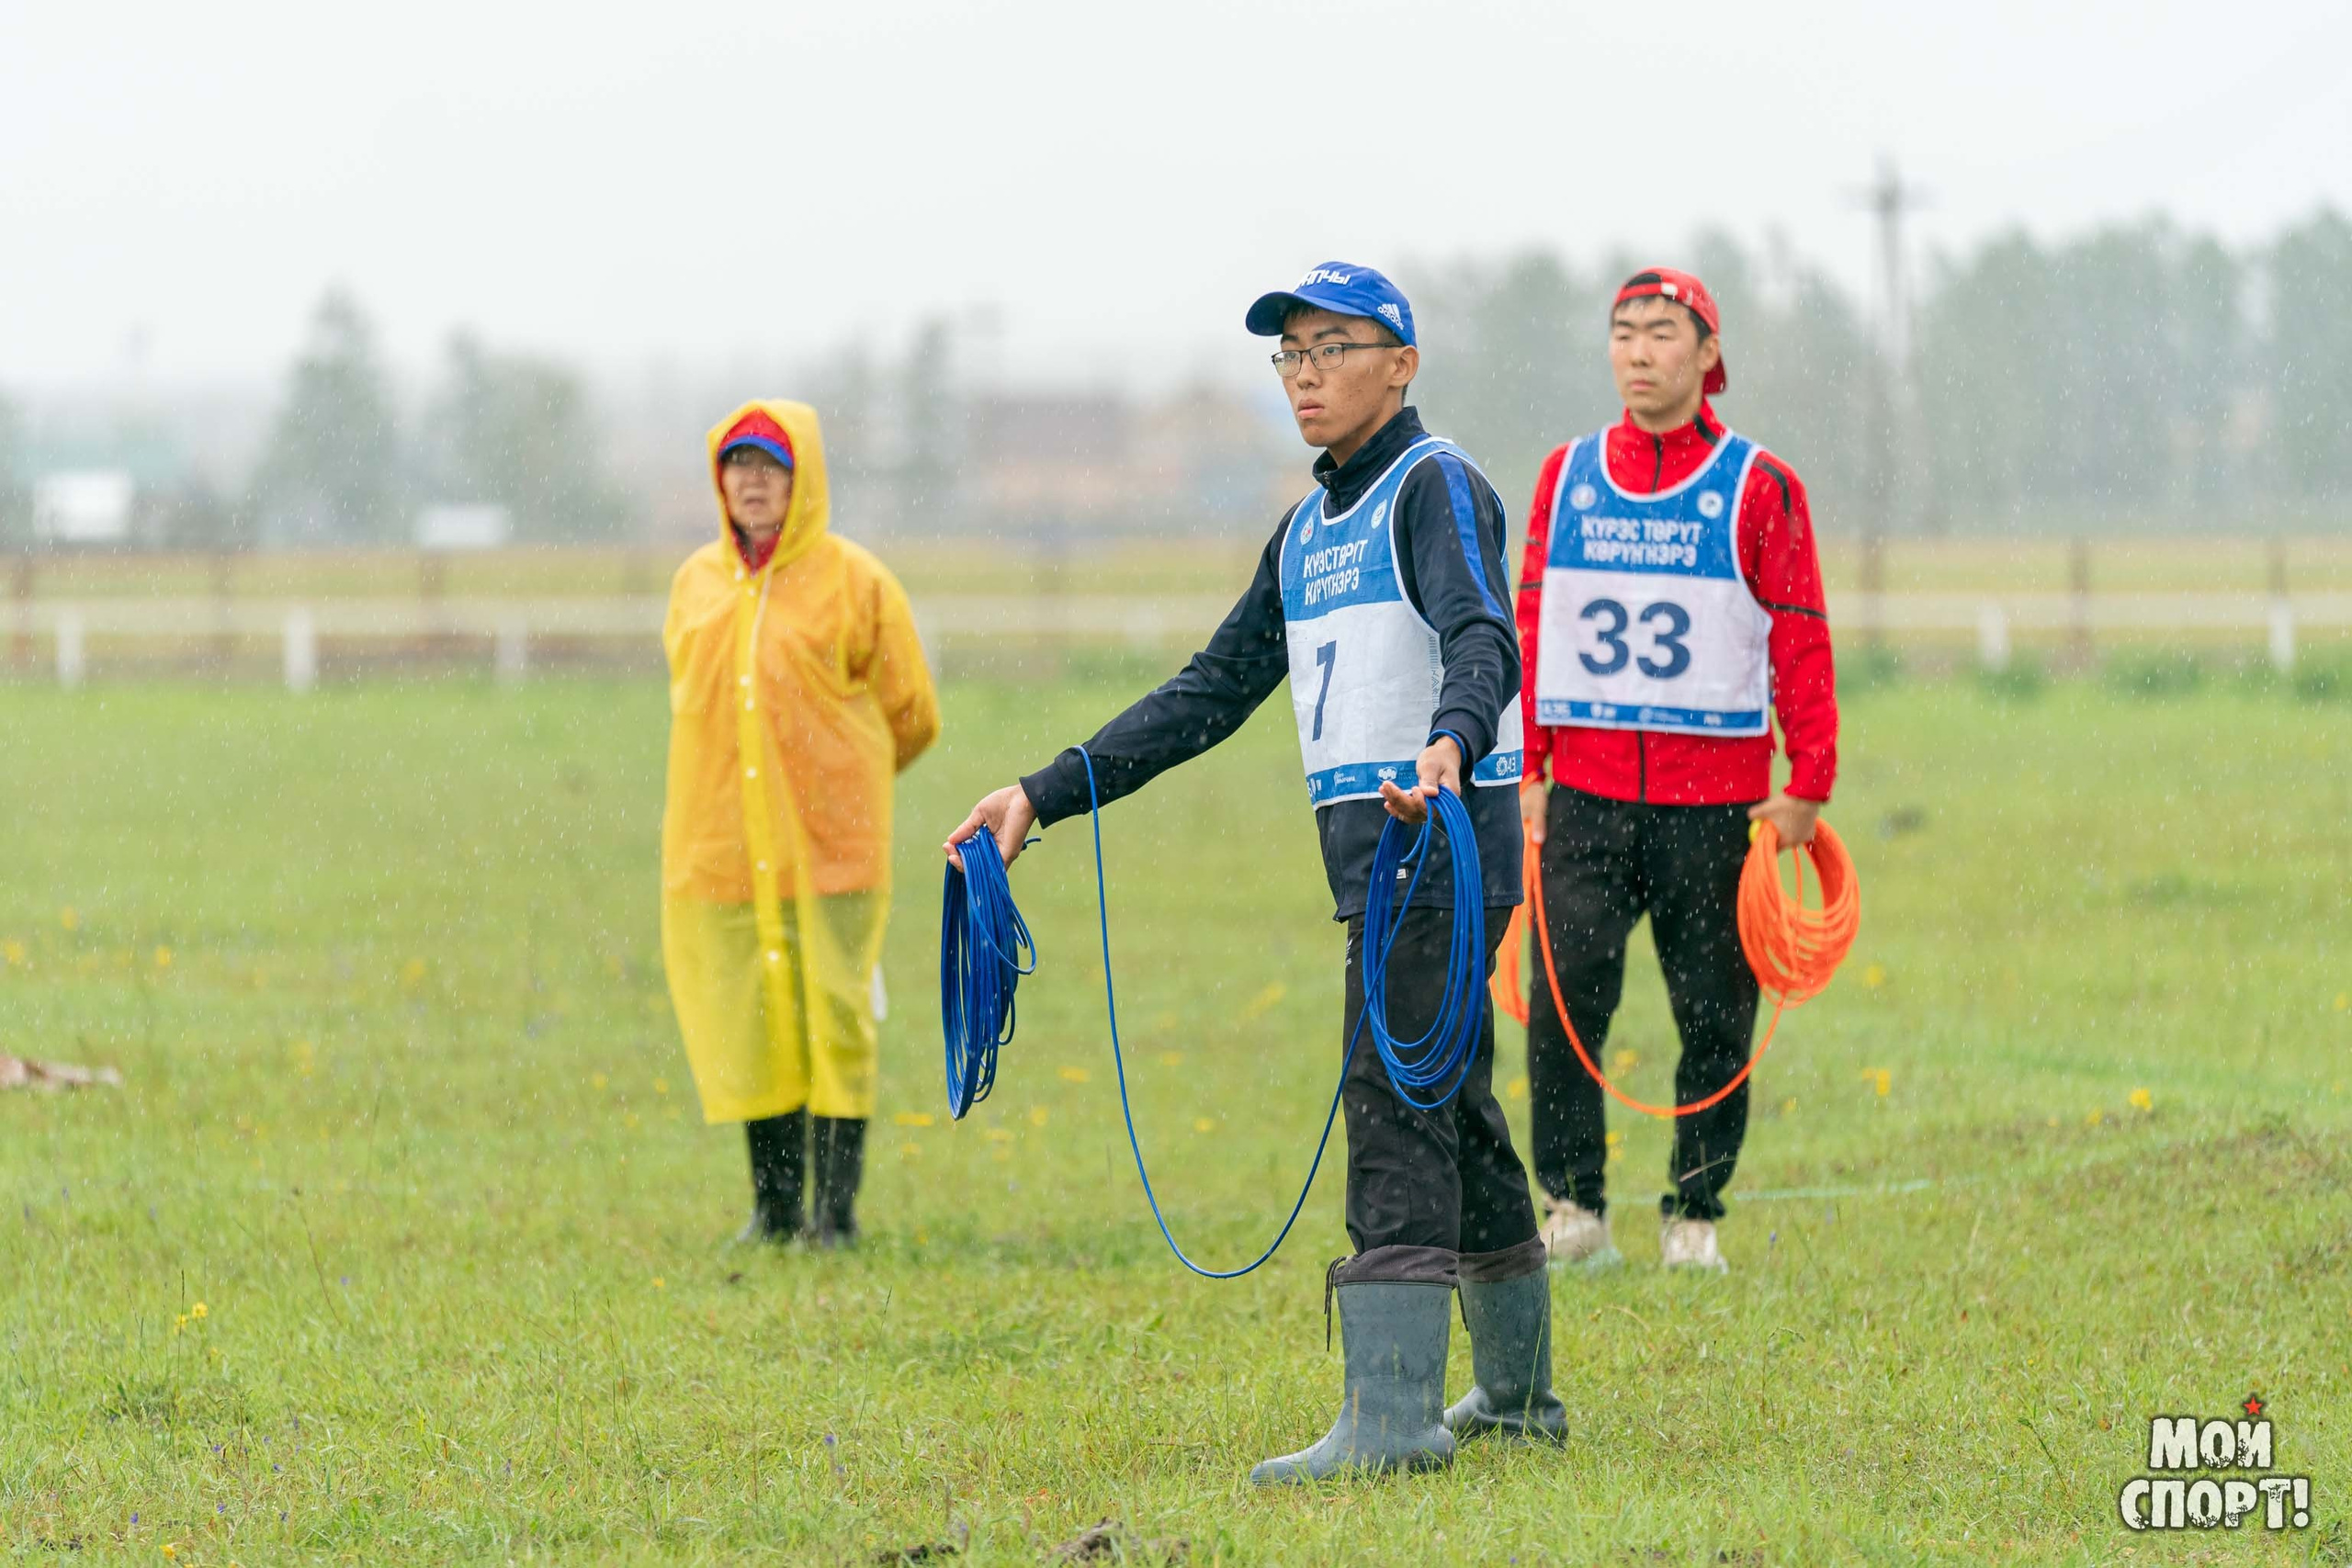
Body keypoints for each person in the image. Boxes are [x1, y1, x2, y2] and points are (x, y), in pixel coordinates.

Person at [945, 264, 1564, 1484]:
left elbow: (1482, 630)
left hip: (1430, 843)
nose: (1306, 375)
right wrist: (1042, 791)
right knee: (1452, 1104)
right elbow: (1210, 690)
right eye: (1288, 356)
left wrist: (1450, 740)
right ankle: (1519, 1392)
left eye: (1332, 349)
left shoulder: (1434, 485)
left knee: (1392, 1103)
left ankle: (1390, 1421)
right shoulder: (1308, 529)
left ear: (1402, 362)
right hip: (1383, 868)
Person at [1516, 268, 1839, 1273]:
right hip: (1586, 795)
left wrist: (1809, 782)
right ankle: (1572, 1209)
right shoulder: (1563, 475)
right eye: (1622, 333)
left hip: (1718, 807)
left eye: (1661, 333)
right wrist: (1526, 764)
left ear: (1707, 354)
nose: (1638, 352)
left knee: (1712, 1012)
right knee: (1567, 1001)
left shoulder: (1760, 483)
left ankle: (1693, 1214)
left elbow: (1799, 636)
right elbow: (1532, 623)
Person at [662, 400, 939, 1247]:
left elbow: (912, 712)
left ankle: (835, 1214)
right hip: (723, 857)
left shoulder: (858, 583)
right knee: (753, 1023)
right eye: (737, 466)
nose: (752, 482)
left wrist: (839, 785)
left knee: (834, 1016)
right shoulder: (696, 585)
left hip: (832, 855)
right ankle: (775, 1211)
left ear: (803, 479)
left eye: (770, 467)